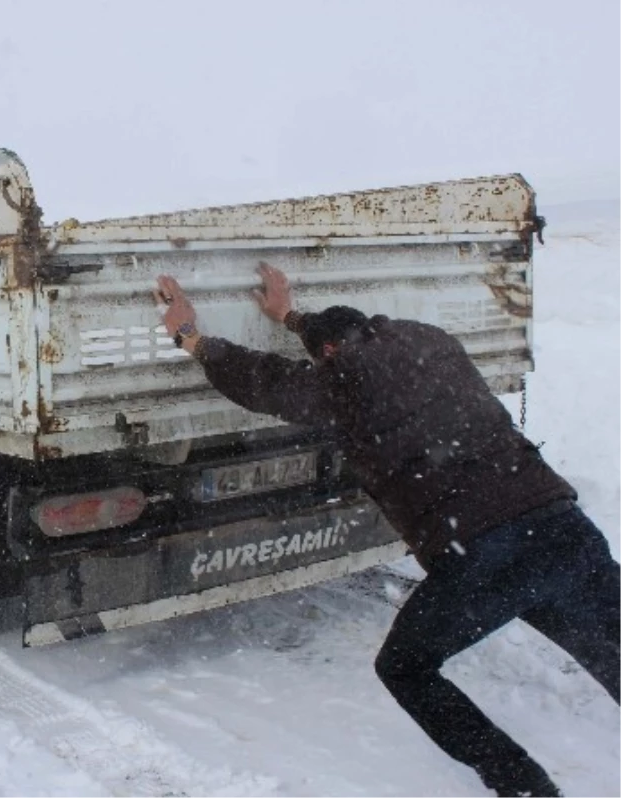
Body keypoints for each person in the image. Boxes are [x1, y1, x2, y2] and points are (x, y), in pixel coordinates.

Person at [154, 263, 621, 798]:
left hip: (483, 549)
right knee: (606, 641)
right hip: (562, 526)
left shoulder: (344, 381)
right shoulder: (432, 342)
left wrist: (191, 338)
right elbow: (346, 348)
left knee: (405, 667)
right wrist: (291, 316)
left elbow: (266, 383)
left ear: (327, 353)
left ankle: (522, 785)